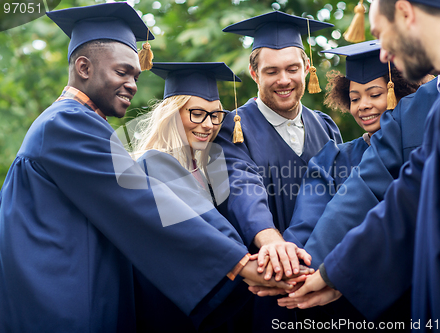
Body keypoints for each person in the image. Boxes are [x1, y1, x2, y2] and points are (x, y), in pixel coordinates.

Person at [0, 4, 296, 332]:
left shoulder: (77, 123)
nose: (132, 84)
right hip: (55, 295)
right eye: (122, 72)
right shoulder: (67, 123)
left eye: (135, 75)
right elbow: (142, 200)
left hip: (66, 284)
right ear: (84, 67)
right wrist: (238, 262)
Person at [276, 0, 440, 330]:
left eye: (381, 35)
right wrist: (331, 273)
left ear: (404, 12)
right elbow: (407, 195)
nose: (383, 55)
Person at [130, 62, 312, 332]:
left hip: (216, 303)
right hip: (174, 304)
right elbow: (197, 230)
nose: (208, 125)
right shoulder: (152, 165)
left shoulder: (211, 171)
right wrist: (257, 268)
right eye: (197, 114)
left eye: (216, 116)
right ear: (171, 115)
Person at [213, 10, 342, 332]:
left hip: (322, 276)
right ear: (254, 74)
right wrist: (272, 243)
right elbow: (240, 186)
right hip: (264, 280)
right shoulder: (232, 127)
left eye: (292, 69)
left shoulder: (326, 127)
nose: (284, 80)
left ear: (307, 69)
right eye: (272, 71)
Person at [285, 40, 418, 252]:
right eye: (355, 99)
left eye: (375, 95)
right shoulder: (332, 159)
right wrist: (290, 262)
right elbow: (306, 225)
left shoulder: (419, 151)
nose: (363, 105)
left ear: (398, 92)